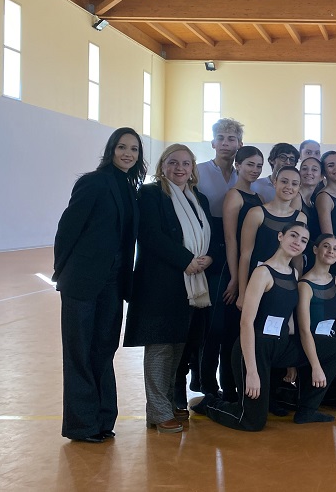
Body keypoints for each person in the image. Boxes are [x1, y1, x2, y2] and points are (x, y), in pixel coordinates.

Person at [195, 222, 336, 429]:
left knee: (335, 347)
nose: (297, 242)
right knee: (252, 421)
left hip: (282, 345)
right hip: (256, 348)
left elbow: (290, 320)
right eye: (293, 236)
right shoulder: (262, 272)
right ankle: (210, 403)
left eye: (303, 240)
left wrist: (295, 361)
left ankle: (307, 408)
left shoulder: (294, 274)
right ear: (280, 237)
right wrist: (252, 371)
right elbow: (246, 323)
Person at [54, 127, 146, 443]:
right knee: (80, 351)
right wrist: (62, 272)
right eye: (122, 147)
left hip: (113, 283)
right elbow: (67, 230)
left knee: (104, 349)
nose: (127, 154)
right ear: (111, 150)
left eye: (133, 149)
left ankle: (103, 419)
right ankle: (81, 425)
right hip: (82, 281)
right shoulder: (92, 182)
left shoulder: (131, 188)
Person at [124, 144, 215, 434]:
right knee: (160, 348)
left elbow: (206, 233)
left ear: (192, 169)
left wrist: (208, 257)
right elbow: (149, 235)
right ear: (163, 165)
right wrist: (185, 261)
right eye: (173, 162)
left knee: (178, 348)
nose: (179, 168)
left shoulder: (197, 198)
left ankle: (165, 403)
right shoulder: (151, 194)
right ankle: (158, 411)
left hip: (189, 284)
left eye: (186, 163)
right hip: (160, 283)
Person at [199, 146, 265, 403]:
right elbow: (231, 240)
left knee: (234, 333)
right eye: (250, 164)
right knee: (217, 331)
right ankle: (209, 385)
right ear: (238, 165)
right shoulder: (233, 196)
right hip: (230, 270)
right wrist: (236, 279)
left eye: (259, 166)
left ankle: (230, 385)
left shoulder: (256, 196)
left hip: (246, 271)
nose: (254, 170)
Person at [194, 118, 243, 402]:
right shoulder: (198, 172)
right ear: (213, 142)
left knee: (232, 323)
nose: (226, 143)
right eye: (221, 138)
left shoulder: (245, 176)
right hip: (209, 250)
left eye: (231, 139)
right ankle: (205, 381)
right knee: (211, 321)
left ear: (239, 144)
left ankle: (230, 381)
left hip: (235, 249)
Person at [296, 234, 336, 418]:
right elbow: (303, 330)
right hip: (310, 343)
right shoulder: (304, 285)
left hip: (331, 339)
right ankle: (307, 410)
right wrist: (316, 366)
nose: (331, 251)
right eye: (326, 246)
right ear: (315, 249)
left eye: (335, 248)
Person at [238, 167, 307, 309]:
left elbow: (297, 257)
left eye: (294, 184)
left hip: (284, 282)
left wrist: (296, 288)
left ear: (299, 187)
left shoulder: (300, 217)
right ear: (275, 182)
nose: (289, 187)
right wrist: (242, 292)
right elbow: (245, 255)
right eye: (284, 181)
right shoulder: (256, 213)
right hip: (257, 280)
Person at [299, 156, 324, 272]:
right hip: (299, 260)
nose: (309, 173)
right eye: (304, 169)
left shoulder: (313, 202)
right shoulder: (296, 198)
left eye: (314, 170)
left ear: (321, 177)